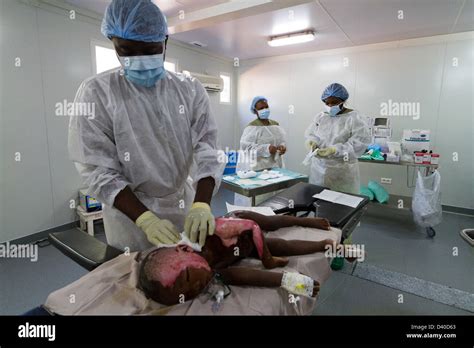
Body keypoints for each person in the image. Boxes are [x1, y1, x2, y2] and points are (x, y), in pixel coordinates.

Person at [68, 0, 223, 251]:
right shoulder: (97, 93)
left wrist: (202, 203)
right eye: (127, 50)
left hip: (183, 204)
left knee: (189, 271)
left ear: (165, 42)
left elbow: (208, 148)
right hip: (130, 217)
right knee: (138, 281)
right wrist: (145, 219)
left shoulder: (189, 89)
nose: (139, 59)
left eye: (150, 49)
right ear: (113, 43)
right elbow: (96, 168)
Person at [137, 211, 360, 305]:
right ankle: (325, 246)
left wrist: (268, 260)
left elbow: (252, 227)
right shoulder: (208, 272)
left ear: (184, 250)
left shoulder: (207, 233)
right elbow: (245, 276)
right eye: (191, 293)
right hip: (243, 249)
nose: (198, 285)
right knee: (282, 245)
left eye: (188, 277)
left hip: (243, 227)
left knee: (273, 226)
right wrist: (293, 282)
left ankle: (307, 222)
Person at [304, 83, 370, 194]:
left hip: (342, 170)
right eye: (327, 102)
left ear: (343, 100)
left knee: (341, 203)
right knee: (318, 200)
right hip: (319, 168)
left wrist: (335, 150)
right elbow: (312, 134)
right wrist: (312, 142)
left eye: (334, 102)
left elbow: (359, 144)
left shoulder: (354, 118)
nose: (330, 106)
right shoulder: (321, 117)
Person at [238, 96, 287, 171]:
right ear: (255, 111)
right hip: (258, 168)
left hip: (275, 167)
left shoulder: (275, 125)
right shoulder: (252, 128)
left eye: (266, 107)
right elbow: (246, 148)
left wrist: (282, 147)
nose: (265, 110)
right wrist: (266, 149)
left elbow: (281, 141)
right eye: (261, 108)